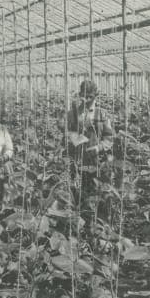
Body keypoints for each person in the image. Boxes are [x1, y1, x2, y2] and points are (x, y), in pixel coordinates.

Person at [63, 79, 116, 229]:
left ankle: (99, 224)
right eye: (84, 96)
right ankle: (81, 226)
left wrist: (99, 147)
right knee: (79, 194)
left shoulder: (102, 114)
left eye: (90, 96)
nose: (86, 99)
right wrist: (74, 139)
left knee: (98, 194)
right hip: (78, 160)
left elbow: (109, 138)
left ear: (96, 96)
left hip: (97, 161)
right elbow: (67, 133)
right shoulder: (73, 113)